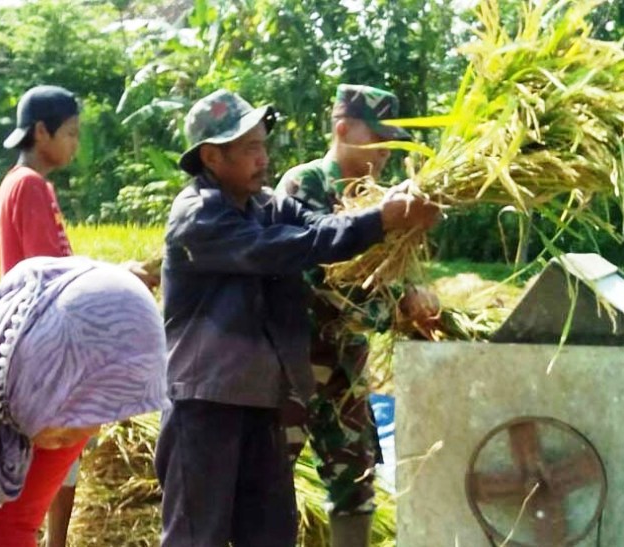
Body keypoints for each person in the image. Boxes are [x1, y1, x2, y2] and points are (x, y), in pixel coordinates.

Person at [154, 89, 440, 547]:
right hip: (206, 406)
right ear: (212, 156)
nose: (263, 158)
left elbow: (317, 227)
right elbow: (286, 248)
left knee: (270, 534)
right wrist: (380, 221)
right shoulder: (200, 215)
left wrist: (388, 212)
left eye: (264, 145)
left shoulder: (265, 205)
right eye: (250, 149)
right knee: (197, 537)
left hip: (262, 402)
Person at [0, 256, 168, 547]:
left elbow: (7, 529)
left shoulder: (53, 412)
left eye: (104, 405)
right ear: (46, 363)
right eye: (91, 400)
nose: (93, 430)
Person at [276, 84, 441, 547]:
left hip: (347, 369)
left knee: (355, 483)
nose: (388, 151)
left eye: (394, 140)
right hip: (296, 365)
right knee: (271, 479)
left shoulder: (389, 200)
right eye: (379, 137)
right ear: (343, 128)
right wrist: (391, 311)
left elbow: (398, 274)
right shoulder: (303, 185)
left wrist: (417, 296)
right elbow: (314, 273)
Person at [0, 85, 158, 547]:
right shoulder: (30, 185)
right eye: (70, 133)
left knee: (55, 454)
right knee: (61, 450)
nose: (75, 144)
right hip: (44, 340)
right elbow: (53, 271)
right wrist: (116, 274)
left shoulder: (15, 182)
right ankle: (54, 541)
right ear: (41, 132)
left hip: (30, 334)